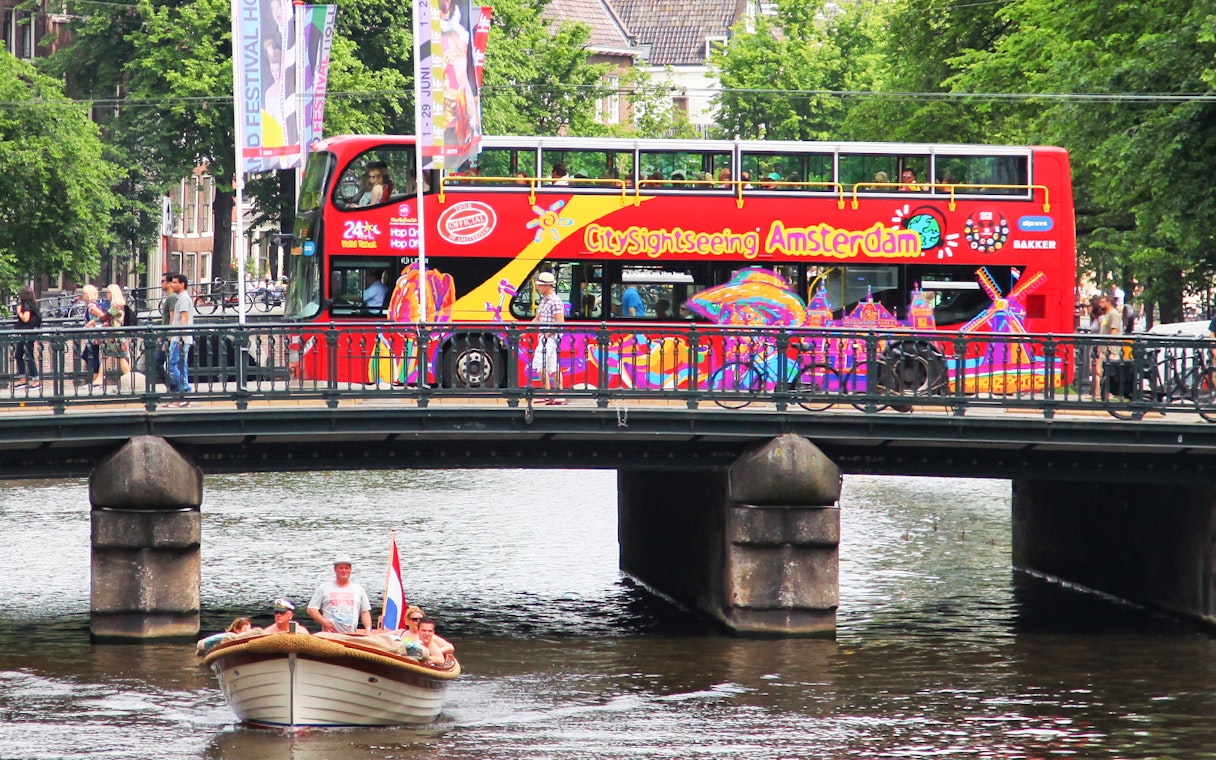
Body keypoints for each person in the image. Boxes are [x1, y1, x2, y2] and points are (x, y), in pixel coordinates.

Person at [307, 557, 373, 633]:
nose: (344, 571)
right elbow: (311, 609)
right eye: (341, 568)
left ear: (350, 570)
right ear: (335, 570)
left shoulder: (358, 589)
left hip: (351, 634)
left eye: (346, 568)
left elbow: (365, 612)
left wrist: (368, 629)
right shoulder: (323, 588)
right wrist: (324, 622)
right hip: (330, 634)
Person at [532, 271, 565, 402]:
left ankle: (548, 394)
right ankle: (559, 395)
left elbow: (560, 322)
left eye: (540, 285)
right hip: (546, 337)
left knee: (540, 365)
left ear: (547, 286)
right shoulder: (544, 300)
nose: (538, 287)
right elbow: (537, 318)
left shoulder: (554, 301)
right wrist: (524, 331)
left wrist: (548, 334)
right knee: (552, 367)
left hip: (549, 338)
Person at [166, 273, 195, 408]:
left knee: (174, 366)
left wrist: (181, 338)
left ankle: (185, 392)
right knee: (178, 366)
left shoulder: (183, 299)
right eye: (171, 282)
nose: (172, 285)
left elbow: (184, 319)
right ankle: (181, 395)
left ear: (182, 284)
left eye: (175, 283)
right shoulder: (180, 298)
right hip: (178, 338)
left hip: (180, 339)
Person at [102, 284, 132, 383]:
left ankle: (130, 379)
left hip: (115, 336)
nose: (106, 294)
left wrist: (97, 322)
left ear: (112, 293)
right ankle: (99, 378)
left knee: (119, 357)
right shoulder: (121, 306)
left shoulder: (115, 306)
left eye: (108, 292)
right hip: (118, 335)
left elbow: (105, 317)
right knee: (109, 356)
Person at [12, 285, 41, 390]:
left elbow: (25, 318)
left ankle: (36, 381)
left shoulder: (26, 305)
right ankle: (23, 380)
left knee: (28, 356)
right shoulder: (34, 304)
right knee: (19, 355)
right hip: (28, 333)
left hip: (26, 334)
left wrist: (19, 311)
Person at [81, 284, 108, 388]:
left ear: (88, 294)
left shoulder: (91, 306)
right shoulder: (94, 304)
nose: (83, 295)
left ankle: (96, 380)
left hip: (95, 335)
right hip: (93, 334)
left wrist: (92, 322)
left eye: (84, 293)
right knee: (89, 355)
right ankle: (95, 380)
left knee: (92, 355)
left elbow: (102, 316)